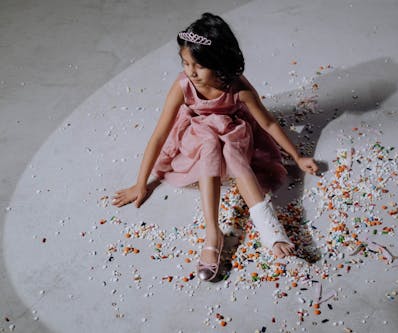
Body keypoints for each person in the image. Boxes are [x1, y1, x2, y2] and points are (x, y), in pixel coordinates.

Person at [112, 13, 318, 282]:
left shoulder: (237, 87)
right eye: (185, 63)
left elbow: (267, 123)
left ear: (218, 64)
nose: (191, 72)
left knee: (232, 153)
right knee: (209, 143)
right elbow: (160, 134)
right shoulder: (183, 85)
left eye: (198, 66)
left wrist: (297, 156)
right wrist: (141, 183)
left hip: (233, 131)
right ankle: (213, 233)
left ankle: (270, 229)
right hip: (196, 136)